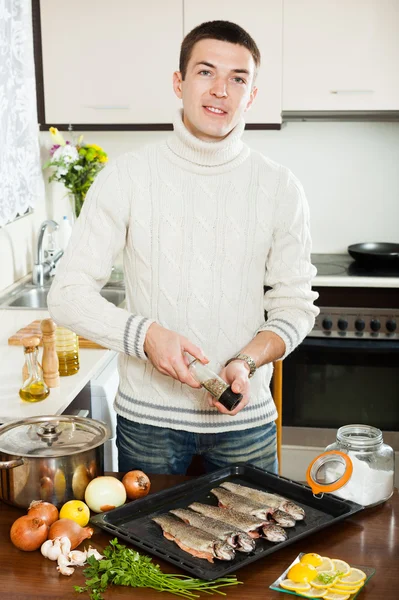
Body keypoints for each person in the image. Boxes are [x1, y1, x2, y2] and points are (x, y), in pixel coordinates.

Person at [48, 20, 319, 475]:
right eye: (205, 72)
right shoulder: (126, 176)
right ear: (179, 82)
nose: (220, 90)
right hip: (149, 424)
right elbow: (67, 295)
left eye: (238, 78)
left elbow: (296, 307)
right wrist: (147, 335)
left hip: (245, 423)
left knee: (258, 545)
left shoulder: (280, 187)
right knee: (149, 546)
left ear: (251, 95)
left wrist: (245, 361)